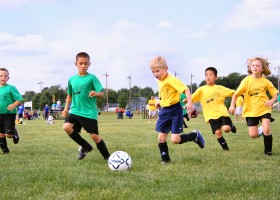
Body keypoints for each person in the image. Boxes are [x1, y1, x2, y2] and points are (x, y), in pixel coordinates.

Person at [150, 56, 205, 164]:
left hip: (175, 111)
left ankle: (195, 135)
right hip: (164, 111)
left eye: (157, 71)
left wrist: (190, 103)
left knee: (175, 140)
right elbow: (166, 95)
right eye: (153, 72)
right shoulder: (160, 81)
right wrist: (159, 101)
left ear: (166, 68)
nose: (155, 74)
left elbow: (186, 89)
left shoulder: (171, 80)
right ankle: (165, 160)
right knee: (161, 137)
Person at [62, 52, 110, 160]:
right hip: (75, 111)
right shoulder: (71, 79)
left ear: (89, 64)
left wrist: (96, 93)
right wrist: (66, 109)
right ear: (76, 64)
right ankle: (86, 146)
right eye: (81, 63)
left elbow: (102, 94)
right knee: (66, 127)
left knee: (94, 136)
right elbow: (69, 95)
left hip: (89, 112)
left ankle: (107, 157)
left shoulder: (92, 78)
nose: (83, 66)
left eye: (85, 63)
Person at [229, 57, 278, 156]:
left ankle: (268, 152)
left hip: (264, 108)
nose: (255, 67)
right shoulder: (246, 81)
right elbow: (235, 94)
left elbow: (275, 94)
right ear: (250, 67)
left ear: (262, 68)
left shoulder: (266, 81)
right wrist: (232, 105)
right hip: (250, 111)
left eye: (258, 65)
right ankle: (262, 129)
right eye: (253, 65)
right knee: (253, 135)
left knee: (267, 129)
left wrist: (271, 100)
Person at [191, 67, 236, 151]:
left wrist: (233, 104)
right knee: (218, 132)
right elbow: (192, 98)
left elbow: (234, 93)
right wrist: (186, 100)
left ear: (215, 77)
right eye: (206, 75)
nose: (208, 77)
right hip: (210, 115)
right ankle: (226, 149)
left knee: (226, 129)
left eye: (211, 75)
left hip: (222, 112)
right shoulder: (201, 90)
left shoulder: (219, 88)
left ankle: (231, 126)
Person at [0, 68, 23, 153]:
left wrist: (13, 105)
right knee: (0, 134)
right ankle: (5, 150)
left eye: (5, 76)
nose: (3, 77)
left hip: (9, 114)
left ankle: (14, 131)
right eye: (1, 76)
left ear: (8, 78)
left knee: (9, 135)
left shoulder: (11, 88)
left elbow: (19, 99)